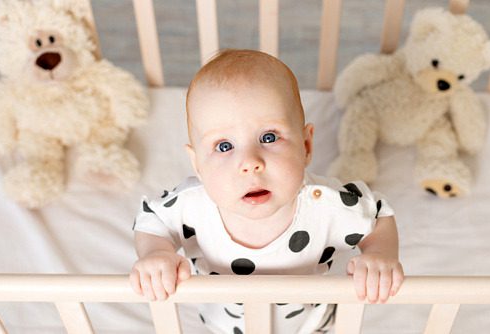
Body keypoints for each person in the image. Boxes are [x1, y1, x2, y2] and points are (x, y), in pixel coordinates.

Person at [130, 49, 404, 333]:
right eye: (224, 146)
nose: (250, 163)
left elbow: (379, 215)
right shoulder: (191, 206)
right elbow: (153, 219)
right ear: (197, 163)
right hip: (222, 327)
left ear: (306, 146)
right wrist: (155, 254)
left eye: (269, 137)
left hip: (310, 327)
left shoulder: (325, 204)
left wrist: (380, 254)